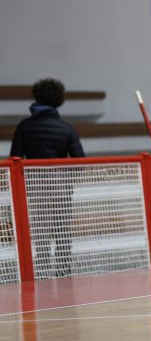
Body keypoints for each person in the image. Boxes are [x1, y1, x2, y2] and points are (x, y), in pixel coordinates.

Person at [10, 77, 85, 276]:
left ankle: (42, 273)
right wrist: (66, 180)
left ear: (36, 97)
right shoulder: (67, 128)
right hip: (60, 188)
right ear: (59, 99)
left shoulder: (24, 127)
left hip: (34, 186)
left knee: (40, 234)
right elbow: (79, 161)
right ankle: (64, 273)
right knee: (62, 232)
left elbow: (14, 159)